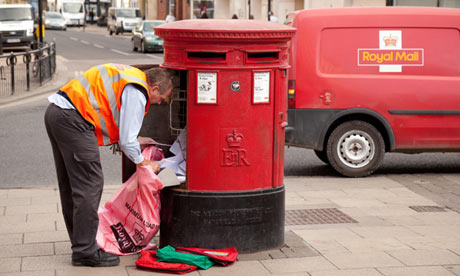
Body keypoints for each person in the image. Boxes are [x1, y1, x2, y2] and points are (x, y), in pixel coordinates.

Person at [44, 64, 173, 267]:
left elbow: (112, 114)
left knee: (72, 185)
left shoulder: (130, 76)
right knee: (90, 184)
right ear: (154, 88)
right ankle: (85, 251)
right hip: (74, 120)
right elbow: (127, 140)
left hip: (58, 113)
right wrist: (143, 161)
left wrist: (133, 141)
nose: (160, 103)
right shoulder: (138, 89)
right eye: (163, 98)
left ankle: (81, 243)